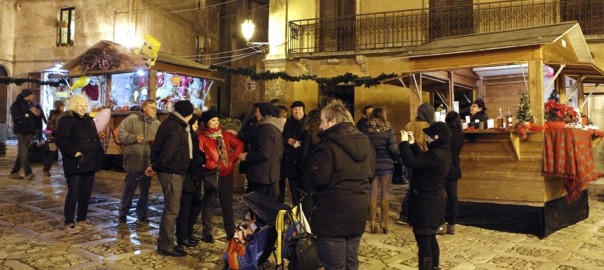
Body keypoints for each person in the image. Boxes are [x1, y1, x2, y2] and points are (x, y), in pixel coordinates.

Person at [309, 99, 375, 270]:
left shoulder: (327, 147)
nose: (321, 126)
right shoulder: (366, 142)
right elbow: (370, 174)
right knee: (351, 263)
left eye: (323, 121)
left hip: (333, 216)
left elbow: (319, 180)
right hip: (357, 211)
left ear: (333, 121)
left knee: (335, 265)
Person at [399, 122, 452, 270]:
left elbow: (411, 162)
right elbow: (424, 159)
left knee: (424, 243)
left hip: (425, 205)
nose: (426, 139)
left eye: (428, 137)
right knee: (430, 239)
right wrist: (413, 144)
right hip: (434, 203)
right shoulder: (443, 152)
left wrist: (403, 144)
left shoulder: (436, 154)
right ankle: (435, 267)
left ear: (436, 138)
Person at [147, 100, 194, 257]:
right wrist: (156, 167)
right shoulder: (175, 127)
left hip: (173, 170)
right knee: (172, 210)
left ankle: (167, 242)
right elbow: (168, 152)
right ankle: (166, 245)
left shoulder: (174, 123)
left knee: (172, 209)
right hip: (172, 172)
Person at [55, 94, 104, 233]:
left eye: (84, 106)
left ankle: (82, 218)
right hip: (75, 162)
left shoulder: (89, 120)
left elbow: (95, 138)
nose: (82, 108)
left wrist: (99, 153)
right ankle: (69, 221)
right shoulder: (67, 120)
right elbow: (61, 140)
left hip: (90, 160)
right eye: (79, 106)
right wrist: (73, 152)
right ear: (73, 106)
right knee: (74, 192)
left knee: (86, 193)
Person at [197, 110, 243, 242]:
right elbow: (200, 156)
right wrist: (210, 163)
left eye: (217, 120)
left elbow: (239, 144)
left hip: (226, 174)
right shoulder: (202, 137)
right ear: (206, 123)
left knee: (227, 204)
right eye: (213, 120)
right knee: (209, 203)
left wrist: (232, 159)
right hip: (211, 174)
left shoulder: (224, 134)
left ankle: (230, 230)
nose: (216, 123)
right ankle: (207, 232)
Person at [117, 99, 161, 224]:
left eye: (155, 107)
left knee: (145, 189)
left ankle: (142, 213)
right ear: (144, 108)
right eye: (152, 107)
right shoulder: (132, 119)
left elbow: (161, 141)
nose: (154, 109)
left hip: (148, 161)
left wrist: (156, 144)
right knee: (129, 187)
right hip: (133, 160)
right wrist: (133, 138)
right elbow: (120, 134)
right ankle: (123, 212)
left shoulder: (157, 123)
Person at [239, 102, 284, 200]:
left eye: (258, 112)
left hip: (263, 176)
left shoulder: (267, 128)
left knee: (260, 208)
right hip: (269, 174)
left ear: (265, 113)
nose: (256, 114)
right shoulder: (272, 127)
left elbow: (264, 153)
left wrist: (246, 156)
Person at [398, 103, 434, 224]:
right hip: (422, 160)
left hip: (409, 159)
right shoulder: (428, 127)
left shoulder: (409, 125)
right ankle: (406, 214)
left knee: (412, 186)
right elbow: (427, 147)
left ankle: (405, 215)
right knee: (416, 188)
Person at [367, 108, 399, 234]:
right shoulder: (388, 131)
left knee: (373, 195)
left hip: (373, 165)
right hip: (386, 165)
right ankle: (384, 223)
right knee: (385, 194)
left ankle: (372, 223)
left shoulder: (368, 131)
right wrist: (397, 158)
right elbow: (393, 149)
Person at [176, 114, 205, 248]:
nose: (196, 127)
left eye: (197, 125)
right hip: (189, 177)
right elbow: (194, 158)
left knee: (194, 207)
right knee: (186, 209)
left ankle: (188, 234)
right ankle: (183, 236)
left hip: (195, 178)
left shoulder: (194, 137)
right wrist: (203, 158)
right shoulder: (190, 138)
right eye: (194, 125)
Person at [9, 88, 41, 180]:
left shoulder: (31, 104)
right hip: (21, 132)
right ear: (27, 96)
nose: (33, 96)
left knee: (22, 153)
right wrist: (28, 113)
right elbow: (16, 117)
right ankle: (28, 173)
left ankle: (14, 172)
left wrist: (37, 115)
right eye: (32, 94)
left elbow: (35, 119)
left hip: (30, 132)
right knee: (24, 153)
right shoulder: (16, 105)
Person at [279, 101, 306, 204]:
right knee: (294, 189)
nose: (297, 112)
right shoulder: (287, 122)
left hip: (303, 160)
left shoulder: (308, 122)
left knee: (304, 189)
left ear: (303, 110)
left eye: (299, 109)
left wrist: (303, 142)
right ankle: (296, 210)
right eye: (295, 109)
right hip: (290, 160)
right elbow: (281, 137)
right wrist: (287, 140)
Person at [443, 111, 465, 235]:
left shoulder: (446, 133)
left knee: (439, 196)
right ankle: (452, 225)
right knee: (453, 197)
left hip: (442, 167)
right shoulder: (461, 135)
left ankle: (439, 222)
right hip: (455, 166)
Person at [297, 109, 321, 216]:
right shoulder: (324, 134)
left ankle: (308, 224)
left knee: (307, 198)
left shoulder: (308, 133)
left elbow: (304, 154)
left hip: (308, 169)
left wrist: (301, 167)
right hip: (320, 168)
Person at [42, 100, 65, 177]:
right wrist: (57, 131)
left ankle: (46, 169)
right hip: (53, 137)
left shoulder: (61, 114)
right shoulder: (54, 115)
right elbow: (49, 126)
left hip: (59, 137)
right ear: (59, 106)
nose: (63, 107)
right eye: (62, 106)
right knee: (51, 153)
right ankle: (46, 169)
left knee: (58, 153)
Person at [237, 103, 259, 175]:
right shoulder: (252, 122)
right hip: (250, 151)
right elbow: (249, 136)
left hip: (249, 152)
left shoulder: (248, 120)